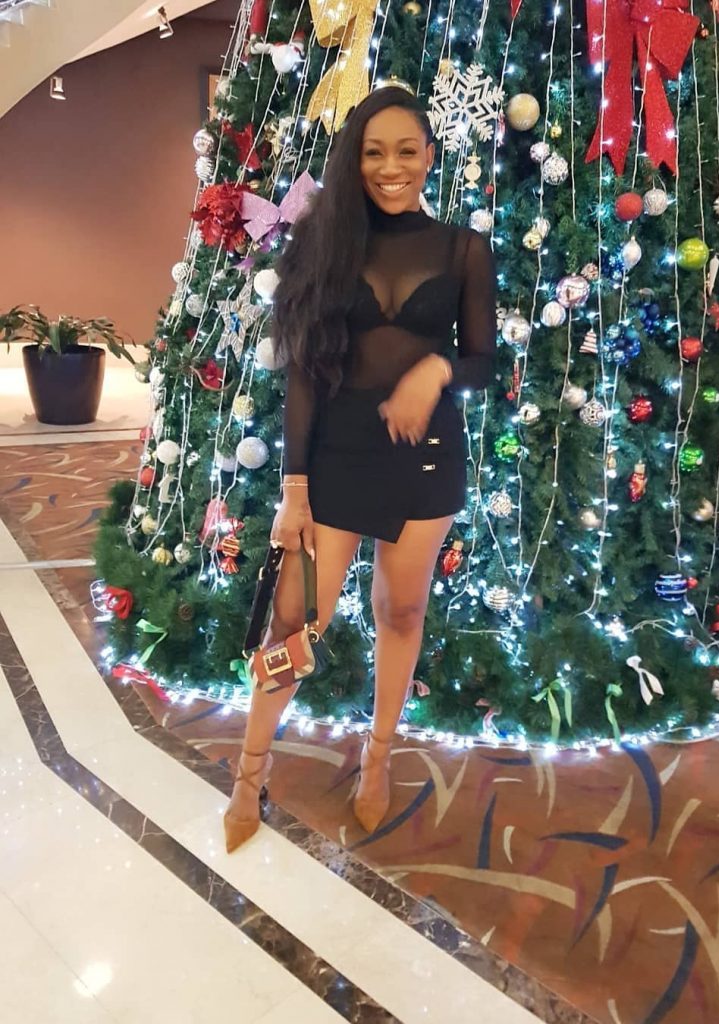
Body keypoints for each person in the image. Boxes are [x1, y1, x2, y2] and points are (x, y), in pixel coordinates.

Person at [223, 85, 497, 853]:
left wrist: (433, 370)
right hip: (335, 461)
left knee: (400, 613)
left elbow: (482, 361)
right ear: (355, 159)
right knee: (292, 620)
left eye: (406, 150)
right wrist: (294, 488)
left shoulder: (463, 250)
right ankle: (248, 773)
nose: (390, 167)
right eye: (373, 152)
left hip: (426, 458)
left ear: (430, 156)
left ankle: (376, 759)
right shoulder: (325, 244)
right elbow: (304, 374)